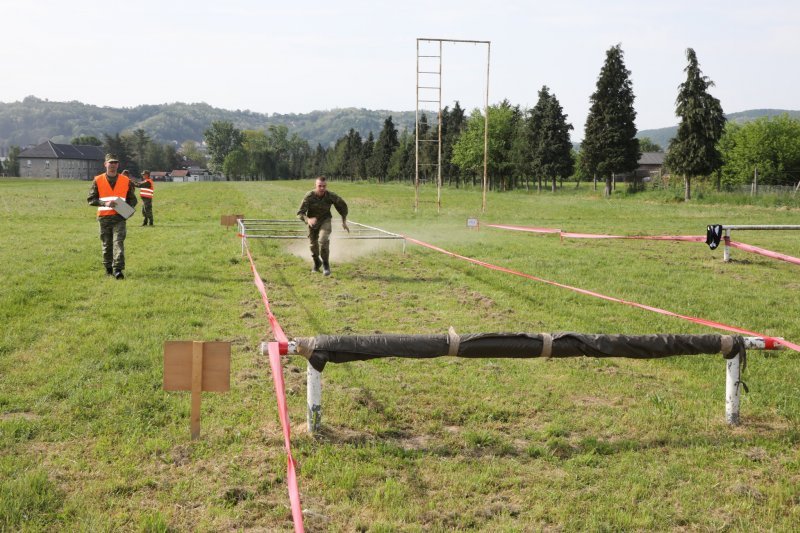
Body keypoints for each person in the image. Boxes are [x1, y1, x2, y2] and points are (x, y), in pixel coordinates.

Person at [86, 154, 137, 279]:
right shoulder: (98, 180)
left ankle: (118, 269)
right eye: (110, 163)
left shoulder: (126, 181)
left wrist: (126, 211)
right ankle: (108, 268)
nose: (113, 165)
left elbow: (132, 200)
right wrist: (105, 203)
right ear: (105, 164)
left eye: (115, 163)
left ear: (118, 165)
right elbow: (91, 199)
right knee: (106, 244)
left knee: (118, 242)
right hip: (104, 218)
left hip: (119, 218)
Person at [296, 176, 349, 276]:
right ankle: (317, 262)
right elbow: (300, 213)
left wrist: (344, 220)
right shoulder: (309, 196)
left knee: (323, 240)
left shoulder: (330, 196)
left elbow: (342, 206)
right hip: (312, 222)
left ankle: (326, 264)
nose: (322, 188)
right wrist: (308, 220)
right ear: (315, 186)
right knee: (313, 246)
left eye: (324, 186)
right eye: (319, 186)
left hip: (325, 220)